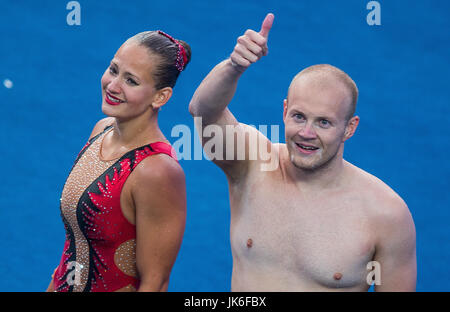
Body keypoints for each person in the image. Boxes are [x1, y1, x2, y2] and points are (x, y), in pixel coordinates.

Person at [189, 13, 416, 291]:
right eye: (299, 116)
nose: (307, 133)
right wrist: (234, 66)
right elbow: (204, 112)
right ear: (284, 111)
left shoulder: (386, 213)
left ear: (350, 128)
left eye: (324, 122)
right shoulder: (252, 163)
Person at [47, 30, 190, 292]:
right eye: (113, 70)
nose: (113, 86)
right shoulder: (101, 131)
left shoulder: (157, 171)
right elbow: (73, 247)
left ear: (161, 96)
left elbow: (155, 283)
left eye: (131, 81)